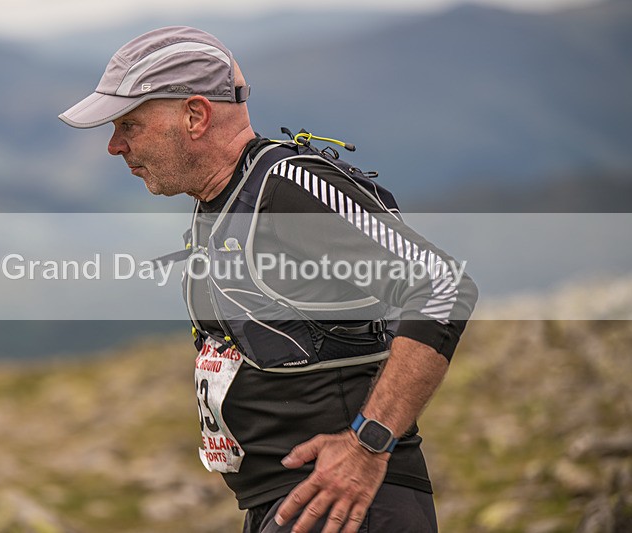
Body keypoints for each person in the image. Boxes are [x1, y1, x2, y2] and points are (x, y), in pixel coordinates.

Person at [59, 26, 478, 533]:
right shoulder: (221, 200)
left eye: (129, 124)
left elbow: (442, 285)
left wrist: (368, 445)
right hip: (296, 503)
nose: (113, 145)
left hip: (349, 505)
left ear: (195, 116)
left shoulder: (286, 188)